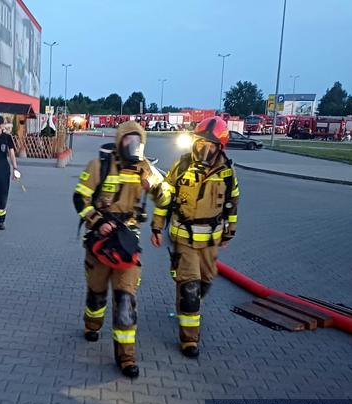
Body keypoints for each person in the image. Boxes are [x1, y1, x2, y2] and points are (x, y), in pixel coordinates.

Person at [72, 121, 161, 379]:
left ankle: (126, 357)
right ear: (120, 139)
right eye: (128, 140)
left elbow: (166, 197)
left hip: (127, 243)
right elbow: (80, 197)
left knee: (125, 301)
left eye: (137, 141)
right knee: (97, 295)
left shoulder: (146, 169)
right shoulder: (99, 166)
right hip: (100, 242)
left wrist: (154, 194)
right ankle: (92, 324)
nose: (132, 145)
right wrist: (98, 221)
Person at [150, 116, 240, 358]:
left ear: (219, 148)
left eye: (210, 146)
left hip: (210, 241)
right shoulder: (181, 167)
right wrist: (157, 227)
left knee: (205, 283)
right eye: (200, 143)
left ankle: (186, 300)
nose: (204, 149)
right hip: (184, 237)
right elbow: (165, 200)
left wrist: (229, 233)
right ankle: (190, 340)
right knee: (190, 289)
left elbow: (232, 204)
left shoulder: (227, 173)